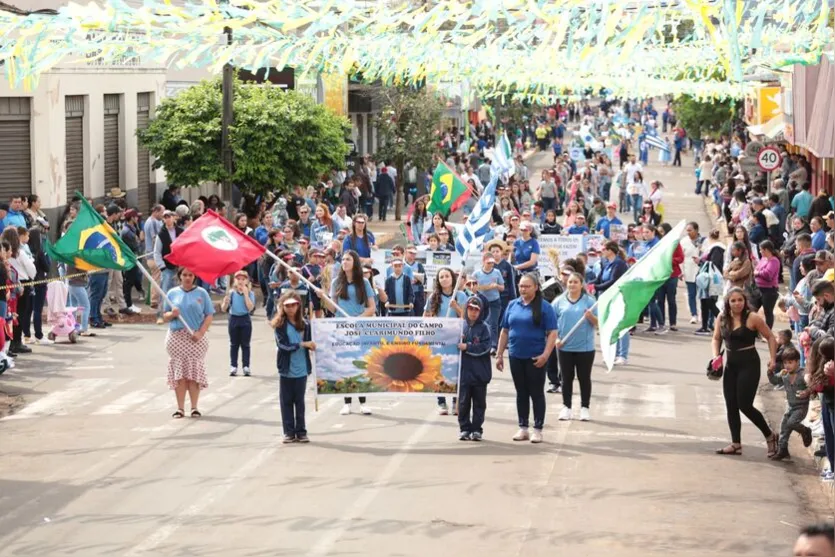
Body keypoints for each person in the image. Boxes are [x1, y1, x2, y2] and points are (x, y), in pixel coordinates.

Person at [711, 287, 778, 456]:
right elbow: (716, 338)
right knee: (731, 404)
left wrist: (773, 359)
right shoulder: (722, 317)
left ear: (745, 301)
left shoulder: (752, 318)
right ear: (727, 303)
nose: (737, 303)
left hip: (749, 365)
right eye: (733, 300)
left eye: (740, 300)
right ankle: (736, 443)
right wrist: (715, 357)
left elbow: (770, 337)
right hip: (730, 366)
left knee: (745, 405)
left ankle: (770, 436)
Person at [495, 273, 558, 444]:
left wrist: (546, 354)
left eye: (527, 286)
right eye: (521, 286)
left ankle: (538, 429)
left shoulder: (545, 307)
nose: (523, 289)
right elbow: (505, 331)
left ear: (536, 287)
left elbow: (552, 333)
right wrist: (500, 354)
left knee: (536, 393)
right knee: (521, 392)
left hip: (536, 357)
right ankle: (523, 427)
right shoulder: (512, 305)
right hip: (516, 355)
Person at [328, 250, 375, 416]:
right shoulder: (336, 283)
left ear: (354, 262)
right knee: (345, 365)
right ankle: (347, 402)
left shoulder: (364, 283)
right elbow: (333, 308)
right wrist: (323, 297)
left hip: (359, 328)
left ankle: (363, 402)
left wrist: (357, 319)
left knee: (360, 365)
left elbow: (372, 308)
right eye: (343, 259)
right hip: (341, 328)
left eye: (348, 259)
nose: (344, 262)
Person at [163, 267, 214, 419]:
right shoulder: (172, 293)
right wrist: (172, 314)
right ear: (180, 276)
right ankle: (180, 408)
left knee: (193, 373)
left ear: (194, 276)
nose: (187, 278)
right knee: (180, 375)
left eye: (190, 275)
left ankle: (194, 407)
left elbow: (209, 314)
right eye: (184, 275)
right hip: (176, 337)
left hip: (195, 337)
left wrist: (201, 332)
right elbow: (164, 315)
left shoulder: (201, 293)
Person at [553, 272, 598, 421]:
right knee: (566, 378)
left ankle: (585, 407)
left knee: (584, 378)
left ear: (581, 284)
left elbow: (599, 323)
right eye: (570, 282)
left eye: (575, 282)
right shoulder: (559, 302)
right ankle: (566, 407)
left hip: (585, 348)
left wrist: (591, 318)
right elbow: (551, 325)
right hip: (564, 347)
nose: (572, 284)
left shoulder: (590, 302)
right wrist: (556, 339)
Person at [273, 292, 315, 443]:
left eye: (293, 305)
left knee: (300, 401)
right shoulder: (280, 326)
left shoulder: (306, 324)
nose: (290, 308)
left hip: (302, 368)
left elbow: (311, 342)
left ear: (298, 305)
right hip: (286, 369)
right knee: (286, 402)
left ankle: (301, 431)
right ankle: (289, 432)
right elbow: (283, 345)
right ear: (282, 307)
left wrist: (312, 345)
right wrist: (301, 344)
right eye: (287, 306)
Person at [766, 346, 812, 461]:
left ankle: (805, 431)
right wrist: (770, 372)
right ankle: (783, 451)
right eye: (785, 362)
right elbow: (774, 381)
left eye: (790, 362)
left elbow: (812, 386)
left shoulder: (803, 374)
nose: (787, 365)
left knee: (791, 423)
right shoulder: (784, 374)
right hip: (790, 406)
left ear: (797, 362)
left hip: (801, 407)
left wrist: (807, 392)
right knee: (784, 428)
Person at [457, 296, 492, 441]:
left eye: (476, 310)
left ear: (481, 311)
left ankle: (477, 429)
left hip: (479, 373)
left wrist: (467, 347)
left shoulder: (485, 328)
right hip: (464, 373)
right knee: (463, 402)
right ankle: (464, 428)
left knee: (479, 403)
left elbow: (485, 347)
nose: (473, 312)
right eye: (470, 308)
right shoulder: (460, 326)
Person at [222, 270, 256, 377]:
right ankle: (233, 366)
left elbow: (250, 308)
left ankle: (246, 366)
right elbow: (224, 309)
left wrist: (246, 295)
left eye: (243, 279)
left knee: (245, 344)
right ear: (235, 280)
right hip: (234, 319)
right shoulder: (231, 293)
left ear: (247, 281)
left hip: (245, 319)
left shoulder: (250, 293)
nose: (241, 281)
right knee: (234, 344)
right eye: (238, 279)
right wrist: (225, 302)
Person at [472, 253, 504, 353]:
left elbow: (502, 287)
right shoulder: (476, 274)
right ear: (483, 261)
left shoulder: (497, 272)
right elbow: (472, 289)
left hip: (494, 301)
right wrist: (475, 288)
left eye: (492, 262)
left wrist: (496, 286)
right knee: (481, 322)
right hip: (481, 301)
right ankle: (481, 343)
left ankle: (493, 345)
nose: (491, 265)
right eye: (489, 262)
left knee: (493, 323)